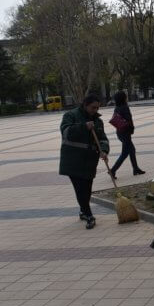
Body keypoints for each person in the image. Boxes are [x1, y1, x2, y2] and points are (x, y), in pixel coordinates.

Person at [59, 94, 110, 229]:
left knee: (87, 189)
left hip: (90, 161)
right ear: (85, 105)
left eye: (97, 108)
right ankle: (89, 215)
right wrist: (83, 127)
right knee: (80, 189)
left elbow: (102, 138)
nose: (95, 110)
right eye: (93, 107)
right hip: (72, 160)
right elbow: (65, 132)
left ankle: (83, 210)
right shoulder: (71, 115)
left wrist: (104, 150)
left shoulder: (98, 121)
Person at [108, 91, 145, 179]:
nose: (127, 97)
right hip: (125, 133)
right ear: (123, 98)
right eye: (126, 96)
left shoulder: (117, 107)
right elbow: (129, 120)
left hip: (120, 132)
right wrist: (132, 128)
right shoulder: (125, 107)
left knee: (131, 150)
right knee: (125, 153)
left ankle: (135, 169)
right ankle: (112, 170)